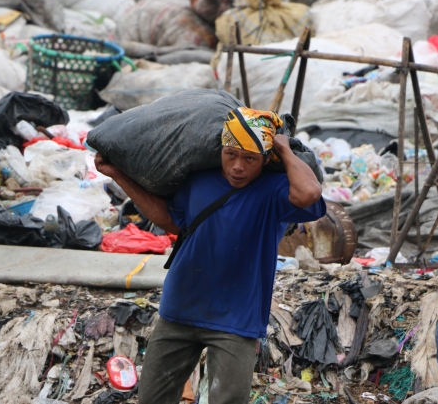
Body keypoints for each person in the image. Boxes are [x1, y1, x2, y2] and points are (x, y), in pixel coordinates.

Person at [95, 107, 326, 404]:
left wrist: (283, 146)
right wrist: (117, 174)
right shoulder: (199, 181)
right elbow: (170, 220)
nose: (238, 166)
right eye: (230, 154)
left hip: (236, 318)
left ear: (266, 159)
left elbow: (309, 193)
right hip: (180, 306)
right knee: (152, 397)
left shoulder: (275, 190)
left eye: (250, 158)